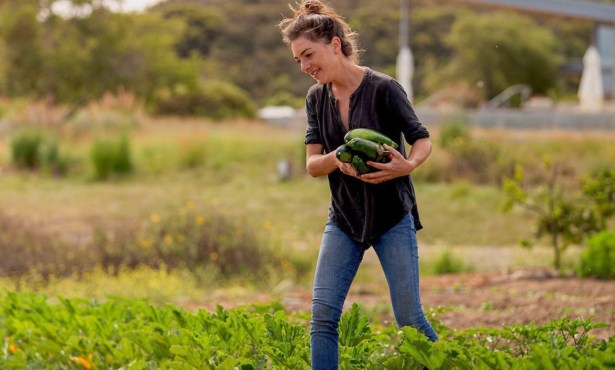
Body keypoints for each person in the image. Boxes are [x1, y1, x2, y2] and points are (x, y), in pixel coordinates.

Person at [279, 1, 438, 369]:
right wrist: (338, 158)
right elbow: (313, 165)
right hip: (344, 219)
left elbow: (422, 139)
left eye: (309, 54)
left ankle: (458, 363)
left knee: (409, 319)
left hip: (391, 216)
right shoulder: (316, 98)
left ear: (335, 44)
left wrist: (406, 166)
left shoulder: (384, 88)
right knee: (322, 319)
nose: (304, 66)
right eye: (298, 60)